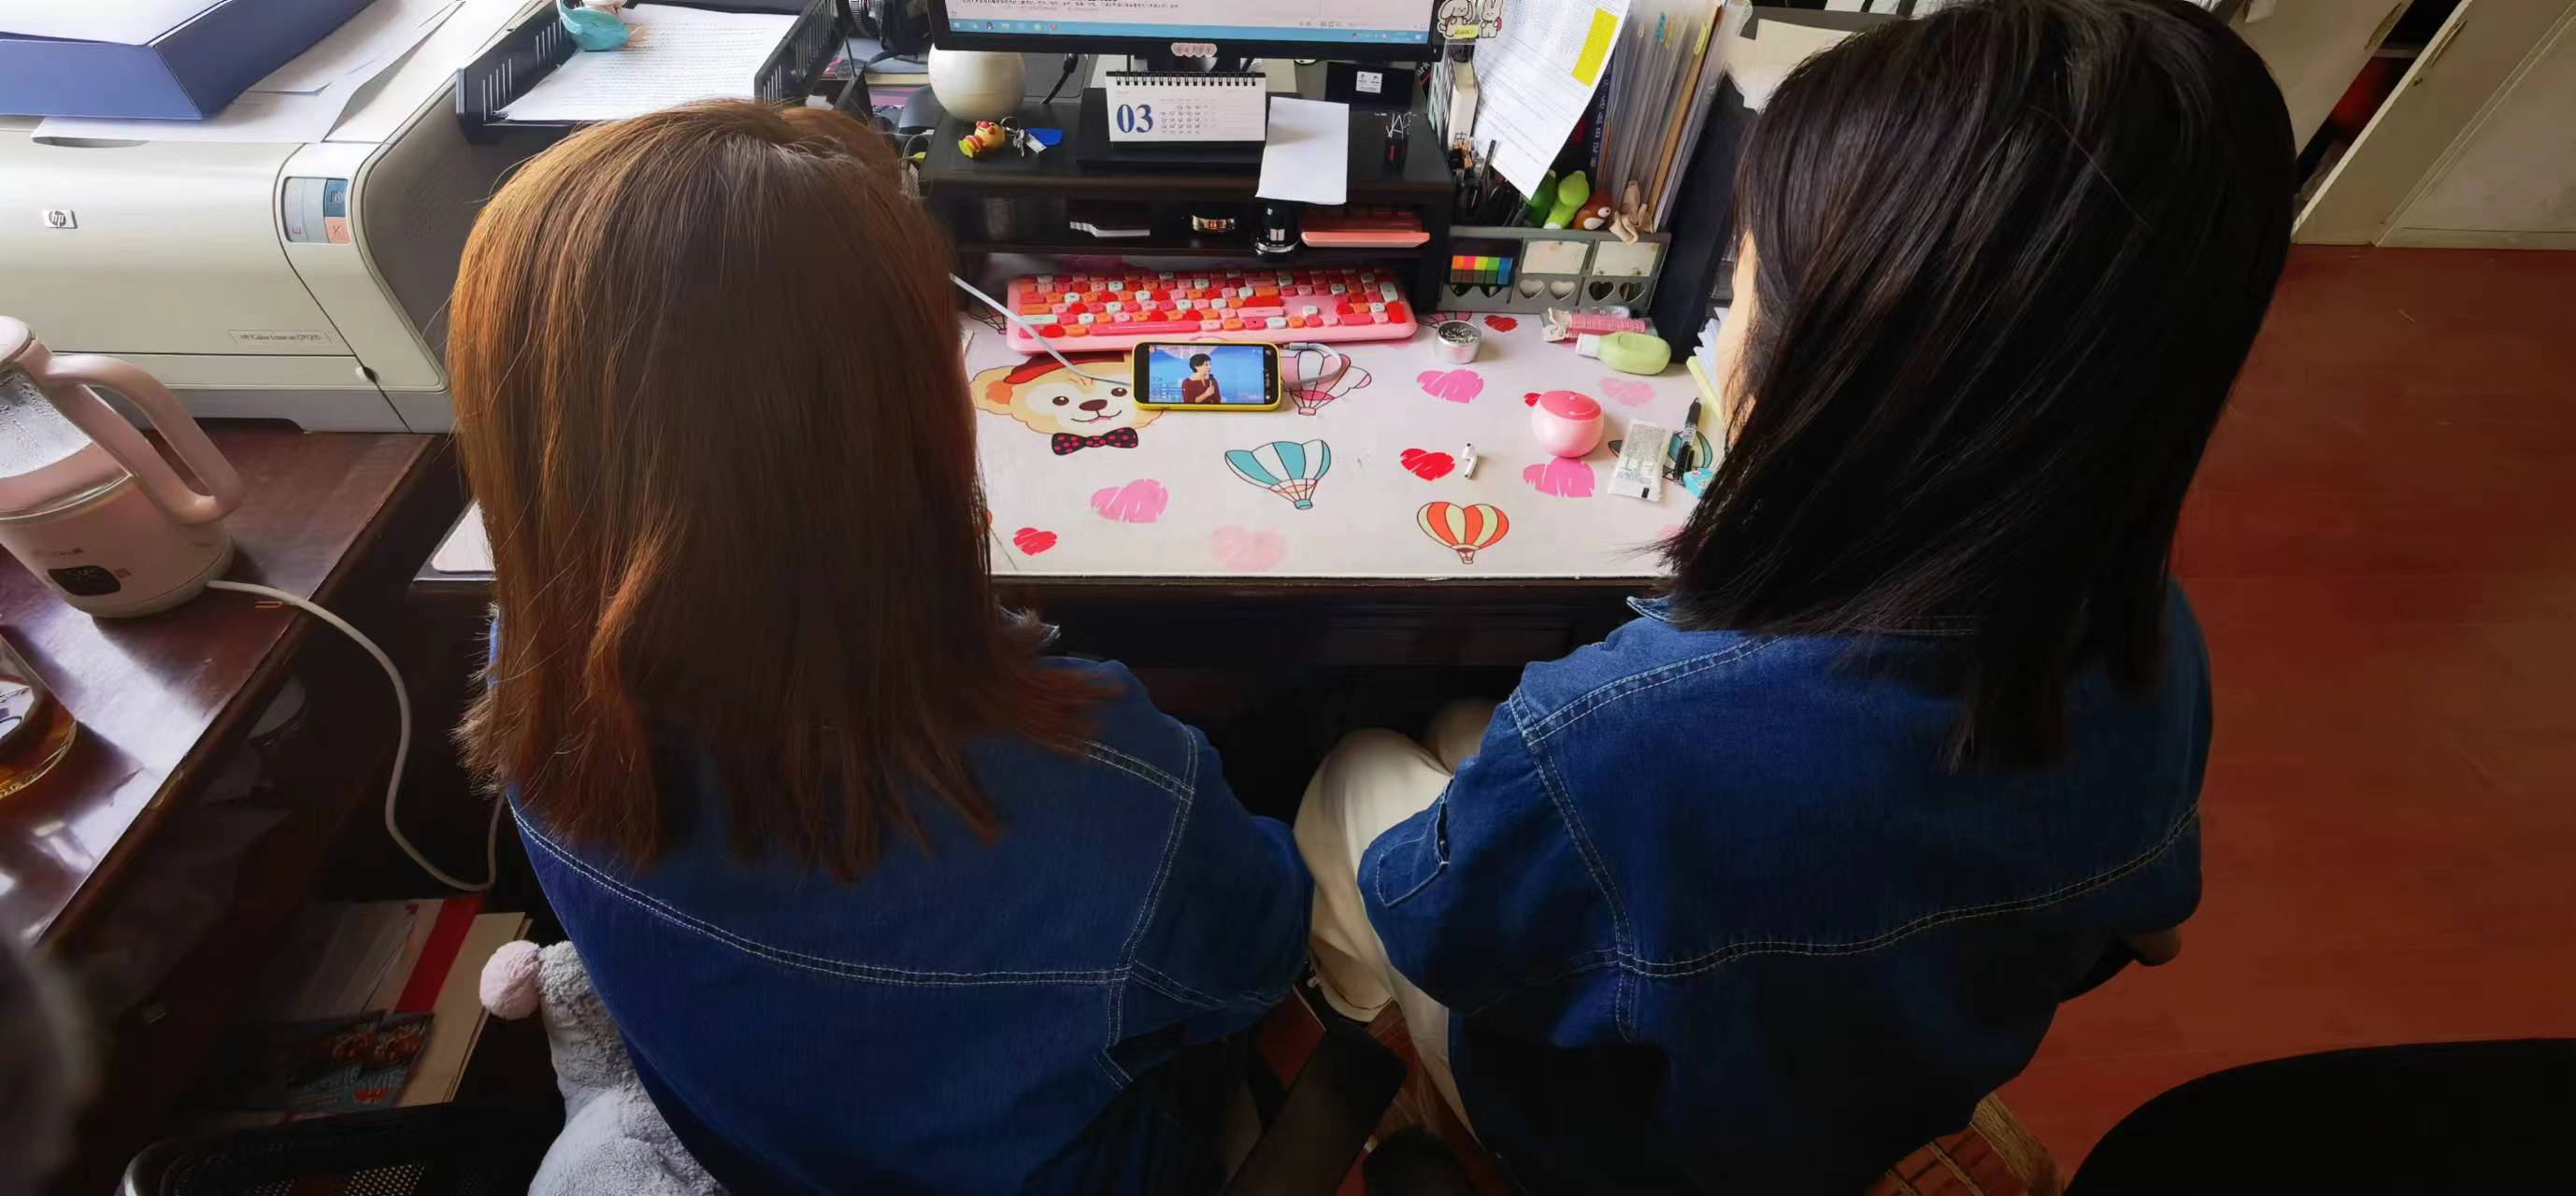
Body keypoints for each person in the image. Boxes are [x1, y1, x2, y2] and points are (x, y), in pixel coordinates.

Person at [1295, 0, 2292, 1189]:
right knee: (1474, 733)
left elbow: (1436, 926)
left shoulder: (1625, 730)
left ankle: (1362, 1042)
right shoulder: (2153, 641)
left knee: (1359, 770)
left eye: (1742, 285)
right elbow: (2148, 926)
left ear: (1821, 369)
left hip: (1611, 1141)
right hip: (1858, 1105)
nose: (1723, 336)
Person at [449, 102, 1309, 1193]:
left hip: (749, 1135)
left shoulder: (528, 681)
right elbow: (1260, 951)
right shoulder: (1114, 799)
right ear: (902, 429)